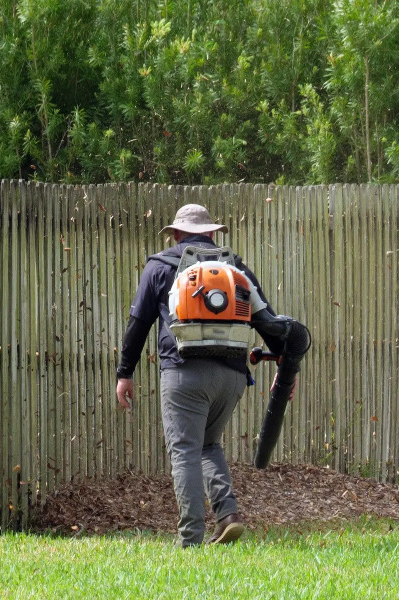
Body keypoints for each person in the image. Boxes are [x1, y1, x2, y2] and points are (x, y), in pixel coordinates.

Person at [114, 204, 275, 547]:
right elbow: (269, 321)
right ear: (212, 233)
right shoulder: (234, 267)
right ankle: (228, 515)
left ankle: (190, 538)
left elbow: (138, 323)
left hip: (184, 374)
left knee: (184, 449)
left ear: (175, 234)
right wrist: (286, 367)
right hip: (231, 377)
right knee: (207, 444)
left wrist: (124, 372)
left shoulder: (160, 265)